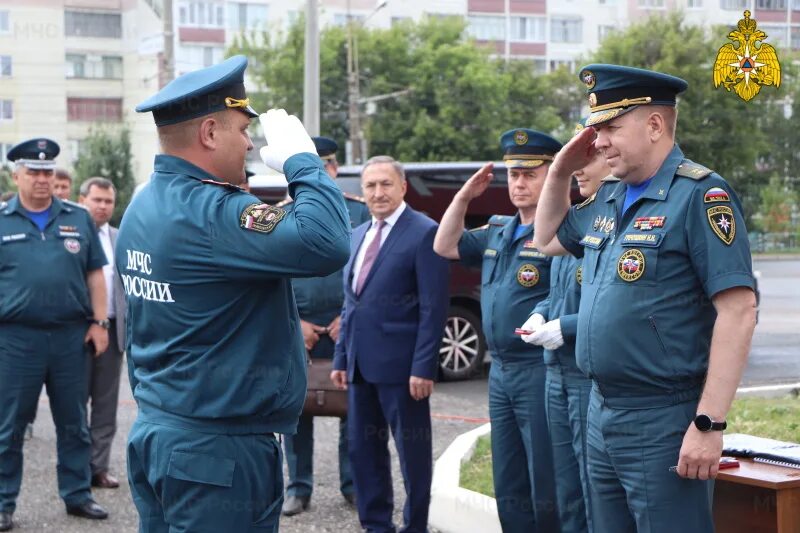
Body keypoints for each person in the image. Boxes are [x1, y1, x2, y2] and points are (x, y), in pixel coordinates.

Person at [117, 55, 351, 532]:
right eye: (243, 128)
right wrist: (303, 162)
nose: (249, 142)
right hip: (217, 451)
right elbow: (328, 242)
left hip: (161, 430)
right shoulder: (214, 212)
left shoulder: (144, 203)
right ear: (208, 133)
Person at [533, 64, 757, 532]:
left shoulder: (700, 195)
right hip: (601, 410)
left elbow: (738, 310)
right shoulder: (610, 197)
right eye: (596, 130)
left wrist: (709, 425)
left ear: (655, 125)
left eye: (611, 127)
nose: (599, 143)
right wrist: (559, 171)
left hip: (663, 420)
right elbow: (547, 237)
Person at [434, 129, 561, 532]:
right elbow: (444, 245)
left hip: (538, 368)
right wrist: (462, 198)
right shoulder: (499, 230)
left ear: (552, 175)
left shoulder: (560, 232)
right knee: (507, 478)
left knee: (546, 477)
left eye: (530, 174)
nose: (519, 183)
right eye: (514, 175)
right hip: (501, 371)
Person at [331, 155, 449, 533]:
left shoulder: (424, 231)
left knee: (412, 457)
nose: (378, 192)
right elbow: (351, 305)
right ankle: (376, 524)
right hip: (360, 367)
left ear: (402, 187)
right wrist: (340, 357)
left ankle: (415, 526)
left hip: (403, 371)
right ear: (361, 191)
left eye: (385, 184)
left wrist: (423, 367)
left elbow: (433, 308)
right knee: (363, 453)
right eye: (370, 186)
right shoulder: (357, 234)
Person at [0, 138, 110, 532]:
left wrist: (100, 322)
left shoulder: (78, 218)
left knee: (73, 421)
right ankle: (2, 502)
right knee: (8, 426)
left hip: (70, 337)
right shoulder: (2, 220)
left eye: (48, 172)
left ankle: (78, 494)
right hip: (16, 340)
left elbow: (95, 274)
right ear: (17, 175)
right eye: (34, 172)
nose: (43, 179)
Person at [519, 119, 609, 532]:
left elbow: (619, 304)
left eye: (590, 157)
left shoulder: (612, 223)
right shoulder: (572, 221)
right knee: (566, 487)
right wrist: (541, 311)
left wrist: (567, 326)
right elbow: (557, 290)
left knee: (596, 489)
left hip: (587, 373)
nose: (580, 168)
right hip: (555, 372)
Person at [279, 136, 369, 516]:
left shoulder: (360, 214)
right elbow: (272, 278)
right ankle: (298, 488)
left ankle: (352, 485)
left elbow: (370, 272)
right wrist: (294, 322)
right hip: (295, 330)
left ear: (333, 170)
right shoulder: (280, 214)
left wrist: (346, 318)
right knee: (295, 412)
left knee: (352, 408)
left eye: (325, 166)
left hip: (346, 327)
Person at [78, 177, 126, 490]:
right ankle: (76, 469)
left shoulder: (120, 237)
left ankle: (98, 468)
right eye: (97, 200)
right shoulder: (69, 235)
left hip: (113, 330)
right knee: (75, 403)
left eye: (108, 201)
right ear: (82, 200)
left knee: (106, 405)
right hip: (79, 332)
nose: (103, 206)